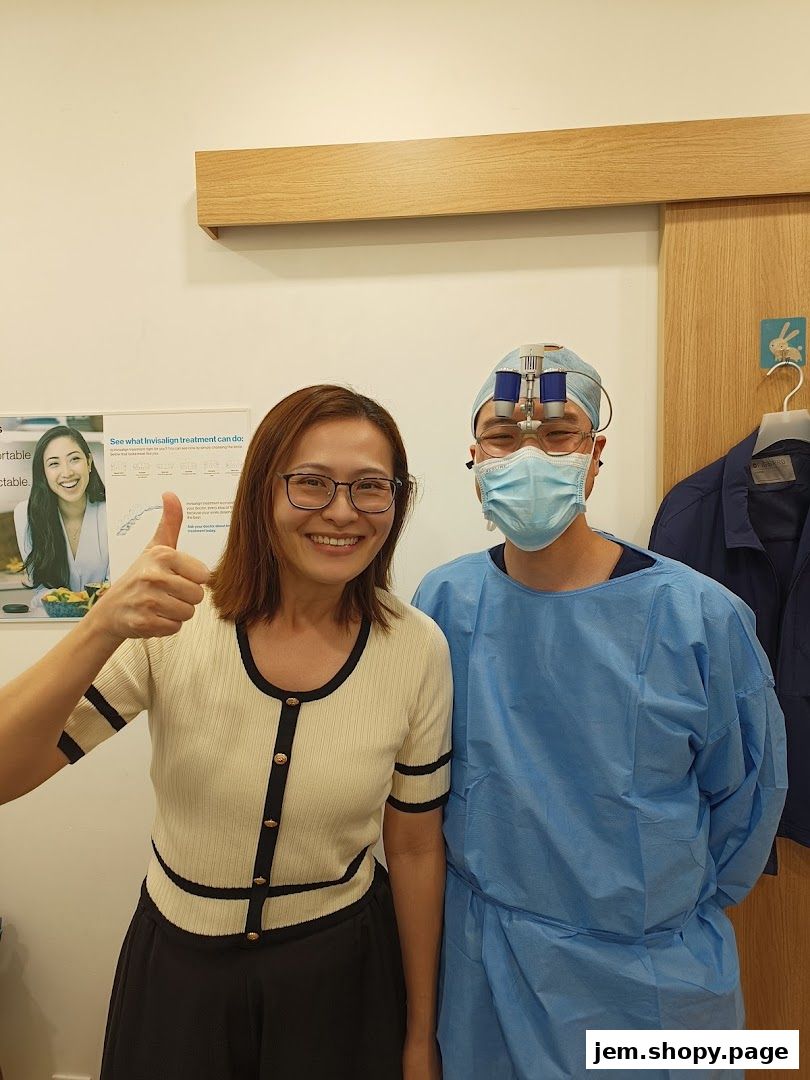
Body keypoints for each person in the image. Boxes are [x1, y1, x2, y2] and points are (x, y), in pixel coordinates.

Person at [0, 386, 452, 1080]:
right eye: (310, 483)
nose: (342, 510)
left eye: (371, 488)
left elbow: (416, 848)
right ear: (261, 491)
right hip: (180, 978)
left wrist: (420, 1035)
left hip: (341, 983)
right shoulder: (178, 622)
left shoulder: (416, 649)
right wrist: (101, 623)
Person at [412, 346, 787, 1080]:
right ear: (475, 456)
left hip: (656, 982)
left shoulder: (701, 618)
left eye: (559, 434)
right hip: (487, 971)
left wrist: (641, 910)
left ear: (595, 454)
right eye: (503, 435)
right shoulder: (443, 604)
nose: (529, 454)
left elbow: (747, 809)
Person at [13, 424, 109, 606]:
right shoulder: (25, 515)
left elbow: (116, 586)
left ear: (89, 463)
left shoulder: (110, 512)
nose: (67, 472)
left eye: (74, 459)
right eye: (54, 463)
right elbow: (40, 587)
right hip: (51, 622)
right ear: (44, 473)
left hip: (107, 622)